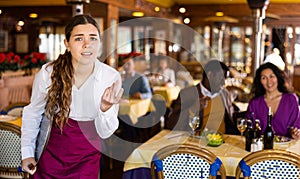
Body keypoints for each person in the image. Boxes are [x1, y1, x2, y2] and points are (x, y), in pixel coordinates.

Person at [21, 15, 124, 178]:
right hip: (51, 154)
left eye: (93, 38)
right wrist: (27, 153)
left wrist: (105, 109)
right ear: (67, 44)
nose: (87, 44)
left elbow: (105, 133)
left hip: (87, 156)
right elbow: (33, 113)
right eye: (78, 38)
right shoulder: (49, 72)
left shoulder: (110, 77)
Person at [165, 59, 239, 135]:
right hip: (197, 142)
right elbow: (172, 124)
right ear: (209, 75)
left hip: (223, 141)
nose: (223, 83)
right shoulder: (187, 94)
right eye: (221, 78)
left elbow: (232, 118)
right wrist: (194, 108)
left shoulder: (225, 94)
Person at [246, 62, 300, 139]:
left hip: (286, 148)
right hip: (262, 148)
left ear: (278, 77)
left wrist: (295, 133)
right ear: (260, 81)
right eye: (264, 78)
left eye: (272, 76)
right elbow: (249, 128)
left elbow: (296, 126)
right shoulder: (254, 103)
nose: (269, 81)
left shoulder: (291, 100)